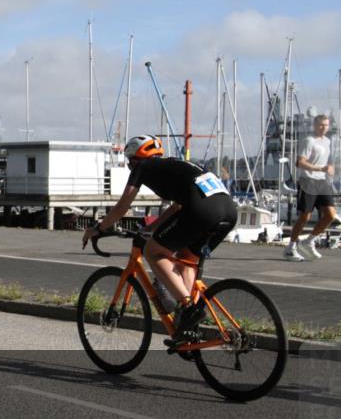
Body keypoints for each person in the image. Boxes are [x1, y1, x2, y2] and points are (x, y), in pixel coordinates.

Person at [82, 135, 238, 343]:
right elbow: (177, 206)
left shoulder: (143, 166)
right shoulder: (174, 165)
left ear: (136, 157)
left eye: (129, 161)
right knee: (186, 259)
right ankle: (189, 329)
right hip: (228, 211)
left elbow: (122, 206)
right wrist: (152, 227)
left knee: (152, 251)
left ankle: (188, 308)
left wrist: (99, 228)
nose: (129, 166)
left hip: (202, 211)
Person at [284, 114, 335, 261]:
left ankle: (309, 241)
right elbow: (300, 163)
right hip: (308, 181)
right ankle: (291, 247)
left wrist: (331, 168)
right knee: (305, 216)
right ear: (315, 125)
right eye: (320, 125)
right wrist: (320, 169)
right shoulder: (308, 141)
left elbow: (328, 161)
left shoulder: (327, 141)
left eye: (326, 125)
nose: (323, 127)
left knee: (330, 215)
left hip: (322, 182)